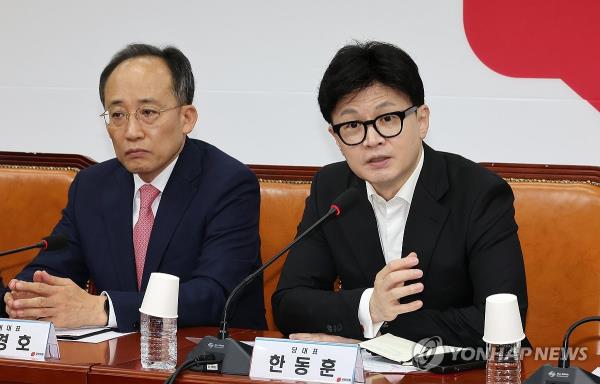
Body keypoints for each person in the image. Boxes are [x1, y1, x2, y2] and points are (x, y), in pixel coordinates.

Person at [272, 41, 527, 348]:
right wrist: (370, 306)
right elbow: (289, 305)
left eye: (388, 119)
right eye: (353, 125)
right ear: (336, 138)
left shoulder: (479, 193)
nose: (373, 140)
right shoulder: (332, 189)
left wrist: (375, 325)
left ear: (421, 121)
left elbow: (501, 321)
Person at [2, 44, 266, 332]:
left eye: (148, 112)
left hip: (205, 360)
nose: (131, 131)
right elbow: (50, 271)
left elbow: (214, 295)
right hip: (114, 362)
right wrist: (26, 298)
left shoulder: (228, 184)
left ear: (186, 118)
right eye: (117, 115)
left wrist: (103, 309)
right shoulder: (92, 187)